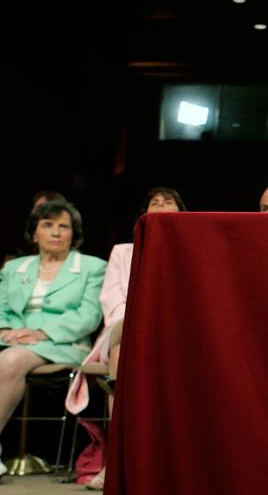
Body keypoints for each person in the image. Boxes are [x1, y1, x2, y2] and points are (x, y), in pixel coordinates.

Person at [65, 187, 186, 489]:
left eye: (167, 202)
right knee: (121, 354)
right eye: (153, 203)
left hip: (176, 332)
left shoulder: (192, 254)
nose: (160, 206)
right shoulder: (122, 252)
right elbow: (113, 302)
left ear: (181, 212)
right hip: (128, 328)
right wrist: (142, 321)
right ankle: (116, 462)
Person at [0, 201, 106, 477]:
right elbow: (0, 309)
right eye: (48, 225)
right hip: (12, 340)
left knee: (11, 360)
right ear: (34, 233)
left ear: (74, 233)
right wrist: (4, 332)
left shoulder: (93, 267)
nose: (56, 232)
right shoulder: (14, 268)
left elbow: (88, 315)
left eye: (64, 226)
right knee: (10, 355)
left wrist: (41, 333)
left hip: (64, 345)